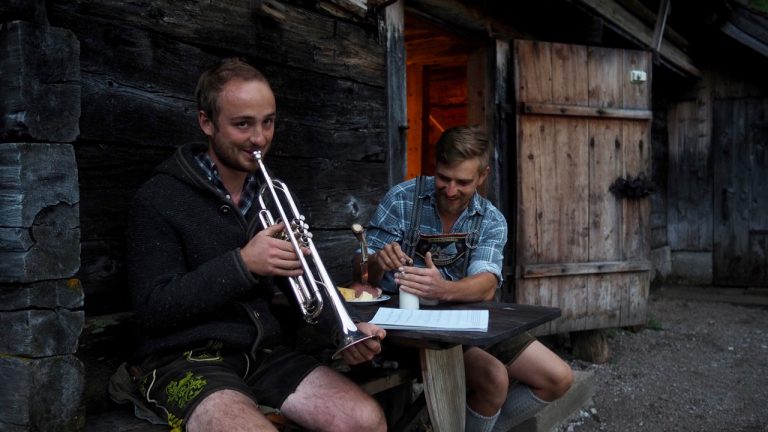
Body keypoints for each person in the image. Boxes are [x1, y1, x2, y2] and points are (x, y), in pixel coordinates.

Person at [120, 57, 387, 432]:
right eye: (243, 124)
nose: (260, 138)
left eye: (268, 121)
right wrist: (242, 265)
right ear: (207, 123)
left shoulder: (268, 193)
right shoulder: (159, 197)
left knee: (366, 420)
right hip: (182, 361)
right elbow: (152, 308)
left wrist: (347, 329)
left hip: (260, 354)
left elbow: (306, 282)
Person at [354, 126, 574, 432]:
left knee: (558, 378)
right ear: (435, 168)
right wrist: (378, 261)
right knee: (494, 379)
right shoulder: (403, 199)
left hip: (463, 320)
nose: (451, 190)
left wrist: (442, 289)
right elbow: (361, 272)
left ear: (482, 176)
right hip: (404, 327)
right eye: (444, 178)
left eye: (463, 182)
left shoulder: (491, 219)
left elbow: (485, 284)